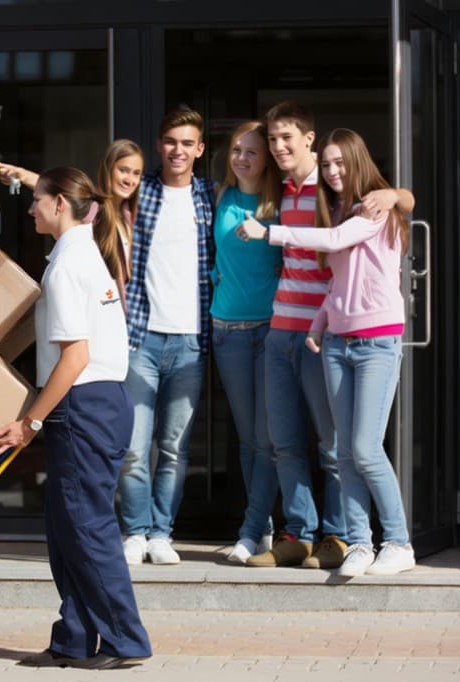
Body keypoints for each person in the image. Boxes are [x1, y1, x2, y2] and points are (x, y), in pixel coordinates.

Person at [0, 167, 152, 670]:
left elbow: (74, 358)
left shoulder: (65, 269)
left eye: (37, 200)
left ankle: (126, 640)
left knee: (85, 528)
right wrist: (31, 175)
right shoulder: (86, 250)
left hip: (82, 404)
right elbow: (93, 201)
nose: (30, 208)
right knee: (66, 528)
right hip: (99, 403)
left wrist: (29, 424)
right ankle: (75, 639)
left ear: (60, 204)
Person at [238, 127, 416, 576]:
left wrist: (268, 233)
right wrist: (319, 326)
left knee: (363, 447)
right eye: (329, 164)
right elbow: (339, 282)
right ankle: (359, 543)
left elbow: (337, 243)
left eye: (341, 163)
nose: (334, 172)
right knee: (345, 453)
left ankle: (398, 541)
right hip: (337, 342)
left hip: (378, 342)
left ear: (358, 162)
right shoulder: (339, 211)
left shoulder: (375, 207)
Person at [118, 108, 215, 566]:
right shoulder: (141, 191)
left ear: (200, 149)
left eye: (187, 143)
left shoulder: (212, 197)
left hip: (191, 342)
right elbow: (85, 196)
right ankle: (135, 531)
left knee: (175, 448)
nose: (178, 150)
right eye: (170, 141)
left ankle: (161, 533)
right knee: (135, 448)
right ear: (160, 145)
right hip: (142, 338)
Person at [209, 121, 284, 564]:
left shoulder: (283, 203)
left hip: (274, 329)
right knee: (248, 438)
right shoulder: (219, 196)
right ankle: (264, 529)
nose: (242, 157)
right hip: (228, 330)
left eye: (252, 151)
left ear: (267, 159)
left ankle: (251, 529)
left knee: (267, 438)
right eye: (237, 149)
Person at [0, 139, 144, 312]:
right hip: (99, 312)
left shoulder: (129, 215)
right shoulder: (95, 211)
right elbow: (63, 193)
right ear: (108, 169)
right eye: (123, 170)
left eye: (136, 173)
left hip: (127, 318)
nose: (130, 179)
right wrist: (23, 176)